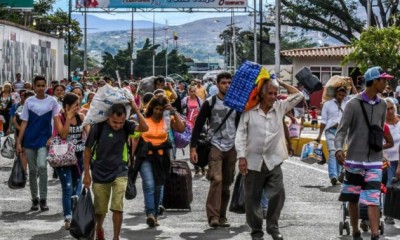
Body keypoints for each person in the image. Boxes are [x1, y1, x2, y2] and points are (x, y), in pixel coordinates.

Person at [235, 77, 303, 240]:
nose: (274, 97)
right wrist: (241, 157)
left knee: (278, 193)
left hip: (273, 160)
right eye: (270, 93)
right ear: (262, 94)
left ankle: (273, 226)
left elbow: (299, 95)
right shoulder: (249, 111)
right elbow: (240, 134)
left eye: (276, 93)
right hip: (252, 162)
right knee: (252, 199)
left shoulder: (280, 107)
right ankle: (256, 231)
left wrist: (280, 82)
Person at [335, 66, 394, 240]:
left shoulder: (383, 104)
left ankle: (375, 234)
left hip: (375, 161)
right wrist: (338, 149)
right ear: (374, 81)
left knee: (373, 198)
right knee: (352, 198)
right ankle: (355, 231)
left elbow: (380, 128)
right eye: (383, 80)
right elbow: (341, 131)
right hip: (354, 160)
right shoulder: (353, 104)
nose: (385, 83)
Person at [83, 102, 148, 240]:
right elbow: (87, 149)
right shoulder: (98, 127)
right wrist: (87, 174)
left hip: (120, 171)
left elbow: (145, 127)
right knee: (100, 209)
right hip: (99, 171)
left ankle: (116, 237)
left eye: (121, 122)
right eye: (114, 122)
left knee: (118, 207)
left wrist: (135, 108)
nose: (118, 125)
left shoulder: (127, 125)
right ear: (108, 117)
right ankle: (99, 228)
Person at [190, 71, 241, 228]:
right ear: (217, 84)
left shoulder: (236, 104)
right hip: (215, 145)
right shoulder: (210, 102)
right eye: (223, 82)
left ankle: (222, 216)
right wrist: (193, 148)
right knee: (216, 179)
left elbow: (242, 126)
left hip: (232, 146)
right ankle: (213, 216)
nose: (227, 85)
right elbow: (198, 126)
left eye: (229, 82)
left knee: (226, 183)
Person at [134, 95, 185, 227]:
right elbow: (135, 139)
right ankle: (150, 213)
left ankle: (155, 214)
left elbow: (181, 128)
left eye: (161, 109)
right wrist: (131, 159)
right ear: (152, 107)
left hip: (162, 158)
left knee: (158, 186)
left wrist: (173, 112)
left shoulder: (168, 119)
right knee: (149, 184)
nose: (158, 112)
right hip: (145, 156)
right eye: (156, 108)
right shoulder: (144, 120)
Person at [16, 76, 61, 211]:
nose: (41, 88)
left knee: (42, 166)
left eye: (43, 85)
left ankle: (43, 199)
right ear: (34, 87)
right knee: (33, 170)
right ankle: (34, 199)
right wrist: (19, 142)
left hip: (44, 140)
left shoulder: (52, 101)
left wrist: (53, 137)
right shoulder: (29, 101)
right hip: (29, 140)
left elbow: (56, 121)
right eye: (38, 85)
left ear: (46, 86)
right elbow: (24, 122)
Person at [53, 93, 90, 230]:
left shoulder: (81, 117)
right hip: (63, 159)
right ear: (67, 106)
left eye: (79, 104)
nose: (78, 108)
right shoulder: (58, 117)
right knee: (67, 187)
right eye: (76, 105)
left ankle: (76, 214)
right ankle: (68, 218)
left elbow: (89, 134)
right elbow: (62, 134)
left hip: (79, 158)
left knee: (76, 187)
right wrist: (68, 118)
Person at [316, 87, 355, 186]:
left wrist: (351, 82)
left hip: (342, 132)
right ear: (335, 94)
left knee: (340, 153)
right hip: (330, 130)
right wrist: (319, 135)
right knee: (332, 152)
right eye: (339, 95)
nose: (341, 97)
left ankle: (339, 175)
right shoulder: (327, 104)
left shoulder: (347, 103)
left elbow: (356, 94)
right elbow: (324, 121)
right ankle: (333, 176)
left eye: (343, 95)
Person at [382, 97, 400, 225]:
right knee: (389, 185)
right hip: (388, 160)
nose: (389, 111)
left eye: (391, 108)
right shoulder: (381, 124)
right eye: (387, 109)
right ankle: (388, 213)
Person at [182, 85, 204, 176]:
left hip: (198, 125)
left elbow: (204, 113)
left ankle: (202, 166)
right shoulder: (185, 100)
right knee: (192, 146)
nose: (193, 93)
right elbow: (181, 112)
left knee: (201, 145)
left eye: (195, 91)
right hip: (189, 125)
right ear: (189, 92)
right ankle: (196, 168)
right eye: (191, 91)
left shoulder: (200, 101)